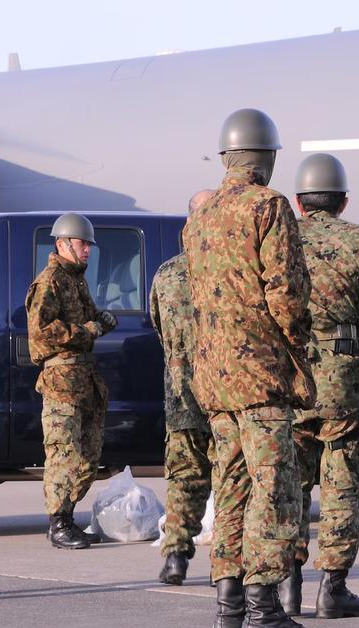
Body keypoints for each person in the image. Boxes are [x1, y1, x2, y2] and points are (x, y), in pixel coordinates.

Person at [183, 108, 331, 628]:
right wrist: (298, 350)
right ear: (265, 157)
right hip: (261, 375)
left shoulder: (199, 216)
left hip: (215, 379)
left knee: (231, 486)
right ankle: (264, 612)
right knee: (275, 487)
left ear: (227, 157)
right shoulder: (267, 207)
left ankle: (228, 611)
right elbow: (287, 295)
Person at [285, 154, 359, 619]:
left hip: (289, 380)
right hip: (344, 382)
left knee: (288, 486)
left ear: (299, 201)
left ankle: (287, 587)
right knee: (341, 487)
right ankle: (332, 589)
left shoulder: (280, 238)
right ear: (344, 201)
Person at [25, 213, 118, 550]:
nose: (87, 250)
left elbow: (87, 316)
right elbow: (41, 330)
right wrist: (86, 331)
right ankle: (58, 523)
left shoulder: (76, 281)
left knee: (88, 456)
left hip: (84, 381)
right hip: (61, 382)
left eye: (88, 245)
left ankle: (68, 515)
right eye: (81, 244)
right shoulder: (49, 281)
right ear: (62, 244)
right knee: (63, 454)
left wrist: (100, 318)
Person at [152, 189, 217, 585]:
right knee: (231, 479)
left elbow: (160, 328)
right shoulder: (228, 270)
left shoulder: (166, 274)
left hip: (181, 395)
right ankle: (227, 568)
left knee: (184, 477)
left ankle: (176, 556)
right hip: (226, 392)